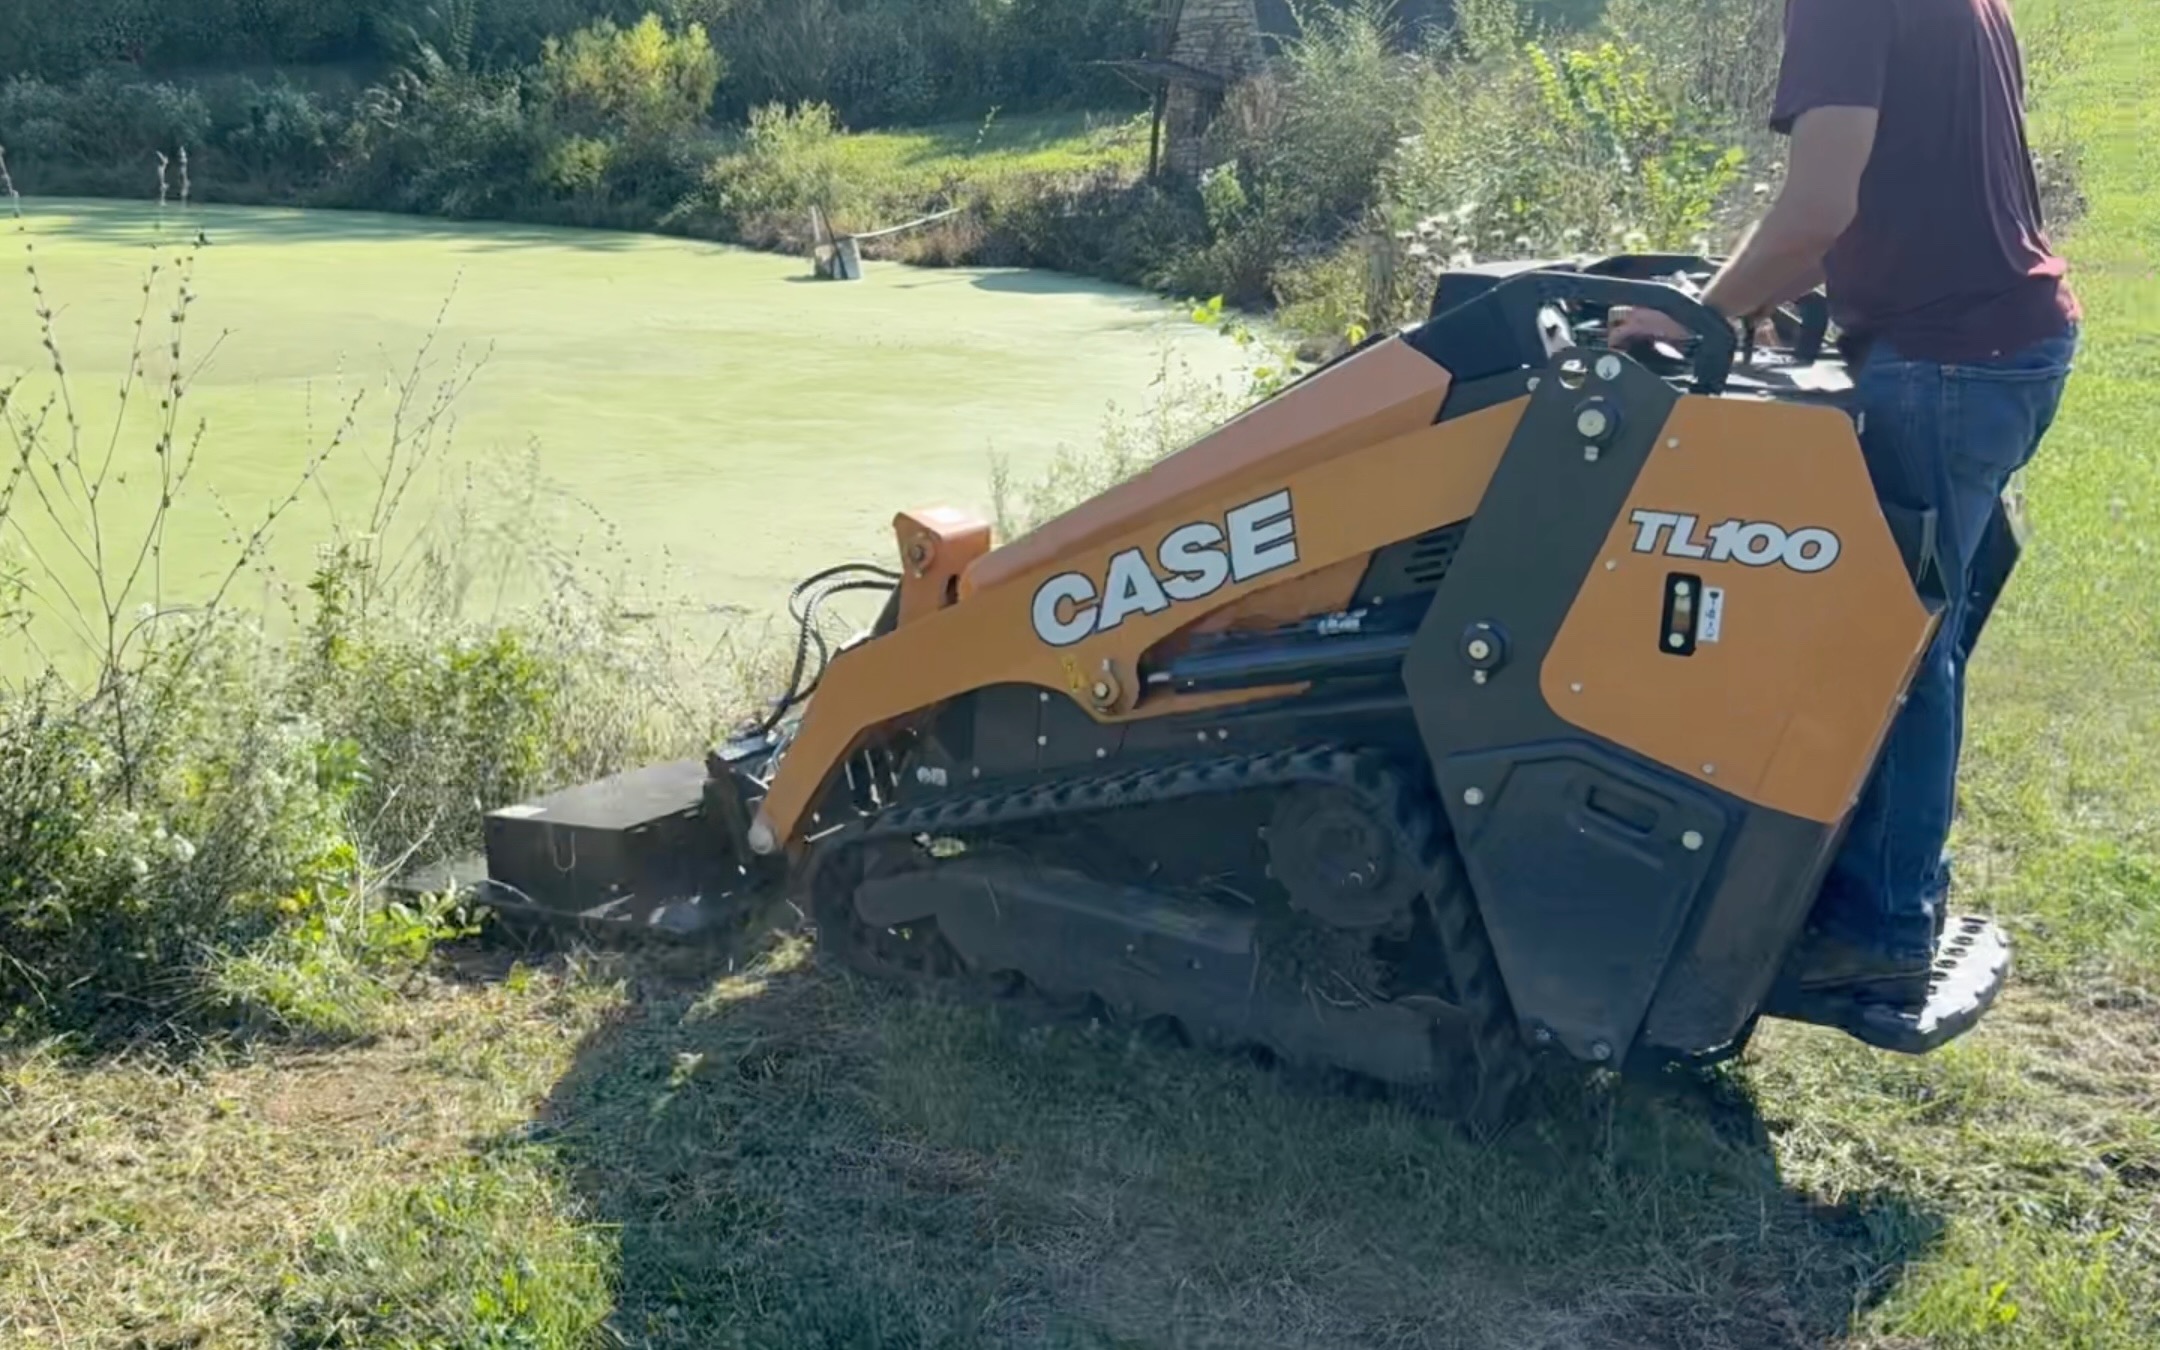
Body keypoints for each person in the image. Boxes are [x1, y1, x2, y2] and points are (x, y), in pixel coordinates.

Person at [1609, 0, 2080, 1007]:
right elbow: (1897, 188)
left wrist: (1699, 313)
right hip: (2009, 341)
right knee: (1911, 626)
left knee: (1893, 640)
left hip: (1949, 359)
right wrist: (1769, 288)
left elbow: (1823, 202)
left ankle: (1882, 926)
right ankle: (1860, 895)